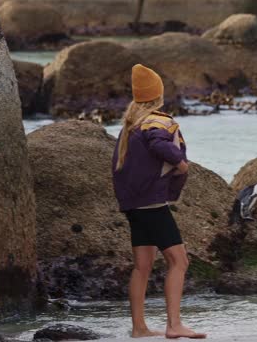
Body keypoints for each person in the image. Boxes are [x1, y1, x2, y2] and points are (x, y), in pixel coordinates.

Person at [112, 64, 206, 339]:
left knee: (142, 266)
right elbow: (159, 144)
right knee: (180, 262)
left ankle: (139, 328)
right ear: (158, 96)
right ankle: (174, 325)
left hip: (133, 205)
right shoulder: (155, 120)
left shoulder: (130, 125)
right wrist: (181, 164)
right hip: (152, 205)